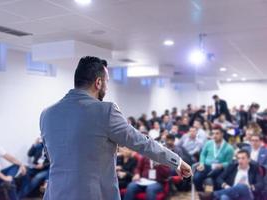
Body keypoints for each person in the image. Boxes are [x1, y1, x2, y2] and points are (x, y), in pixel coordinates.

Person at [40, 56, 192, 200]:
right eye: (107, 81)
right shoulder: (105, 111)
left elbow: (51, 157)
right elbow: (142, 143)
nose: (107, 86)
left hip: (55, 194)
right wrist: (176, 161)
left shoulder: (47, 114)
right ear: (98, 82)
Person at [199, 149, 264, 200]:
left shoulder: (254, 169)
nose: (240, 160)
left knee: (242, 186)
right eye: (238, 158)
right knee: (224, 197)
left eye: (243, 158)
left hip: (247, 195)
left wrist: (250, 187)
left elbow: (261, 184)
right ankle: (213, 195)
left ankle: (212, 195)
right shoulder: (232, 167)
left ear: (249, 159)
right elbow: (219, 178)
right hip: (232, 194)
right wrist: (226, 186)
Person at [193, 126, 234, 191]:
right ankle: (202, 193)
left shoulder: (229, 148)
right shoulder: (208, 143)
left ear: (222, 134)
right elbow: (203, 154)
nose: (214, 136)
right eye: (213, 133)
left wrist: (222, 165)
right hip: (206, 166)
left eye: (217, 133)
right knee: (196, 178)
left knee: (216, 182)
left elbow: (230, 162)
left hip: (219, 169)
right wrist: (201, 163)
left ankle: (214, 195)